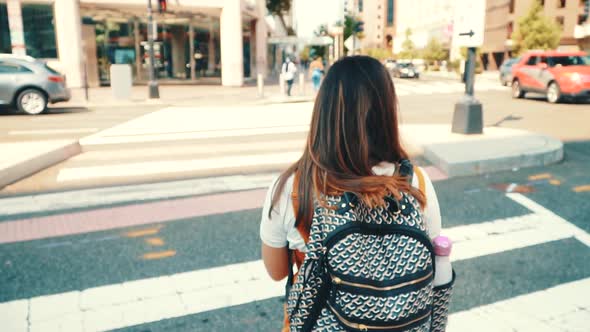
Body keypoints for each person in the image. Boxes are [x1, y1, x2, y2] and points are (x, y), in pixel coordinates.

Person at [260, 56, 455, 332]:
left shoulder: (293, 187)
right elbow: (432, 270)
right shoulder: (416, 183)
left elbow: (277, 272)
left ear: (324, 111)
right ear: (387, 111)